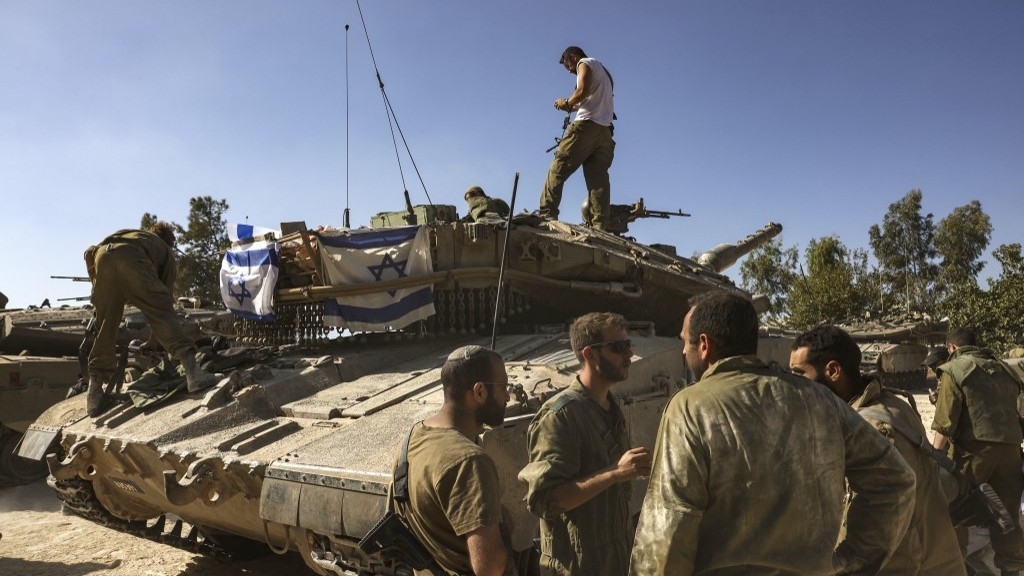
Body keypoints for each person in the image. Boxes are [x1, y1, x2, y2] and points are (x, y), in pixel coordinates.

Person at [630, 291, 916, 576]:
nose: (683, 351)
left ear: (704, 344)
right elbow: (895, 480)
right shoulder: (820, 398)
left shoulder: (689, 407)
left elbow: (667, 530)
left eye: (684, 341)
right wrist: (850, 562)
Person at [790, 325, 965, 576]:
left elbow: (877, 531)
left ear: (832, 371)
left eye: (799, 374)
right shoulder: (890, 403)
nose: (793, 385)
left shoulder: (870, 429)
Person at [519, 312, 650, 575]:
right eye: (619, 347)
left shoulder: (610, 407)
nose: (629, 355)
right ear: (589, 354)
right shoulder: (559, 417)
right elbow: (546, 500)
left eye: (629, 345)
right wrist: (615, 473)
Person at [394, 345, 514, 576]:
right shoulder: (469, 461)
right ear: (479, 392)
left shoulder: (410, 440)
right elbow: (490, 567)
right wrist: (505, 529)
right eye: (503, 387)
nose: (507, 396)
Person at [84, 223, 216, 416]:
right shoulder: (165, 251)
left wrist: (97, 285)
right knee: (161, 309)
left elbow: (89, 253)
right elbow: (163, 308)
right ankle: (193, 374)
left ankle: (94, 395)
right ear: (169, 241)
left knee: (105, 325)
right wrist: (156, 340)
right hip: (132, 257)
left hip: (102, 256)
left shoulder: (132, 234)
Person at [931, 327, 1024, 576]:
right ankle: (1012, 568)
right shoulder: (1004, 369)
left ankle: (956, 563)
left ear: (951, 348)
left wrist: (933, 458)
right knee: (1008, 514)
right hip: (1012, 451)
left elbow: (944, 424)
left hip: (974, 454)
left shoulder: (953, 369)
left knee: (951, 509)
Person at [538, 46, 615, 230]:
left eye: (568, 66)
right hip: (604, 132)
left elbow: (581, 91)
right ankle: (599, 225)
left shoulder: (584, 63)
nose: (570, 71)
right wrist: (570, 107)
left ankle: (547, 214)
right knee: (598, 180)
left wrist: (565, 102)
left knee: (558, 168)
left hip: (585, 126)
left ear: (573, 57)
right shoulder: (604, 74)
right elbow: (588, 98)